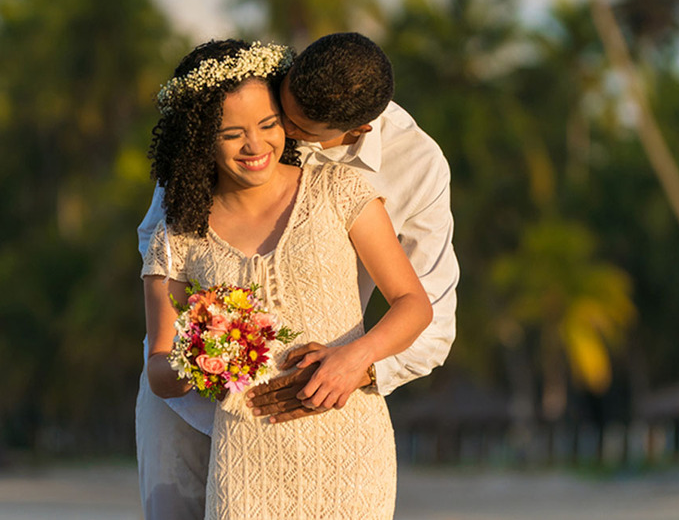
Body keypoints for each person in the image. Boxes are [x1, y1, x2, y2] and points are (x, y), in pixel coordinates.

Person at [135, 32, 459, 518]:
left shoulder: (406, 170)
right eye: (275, 109)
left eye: (287, 125)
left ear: (358, 131)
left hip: (334, 414)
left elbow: (428, 312)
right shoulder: (241, 99)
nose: (270, 135)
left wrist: (354, 364)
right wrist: (205, 350)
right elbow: (163, 247)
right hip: (203, 411)